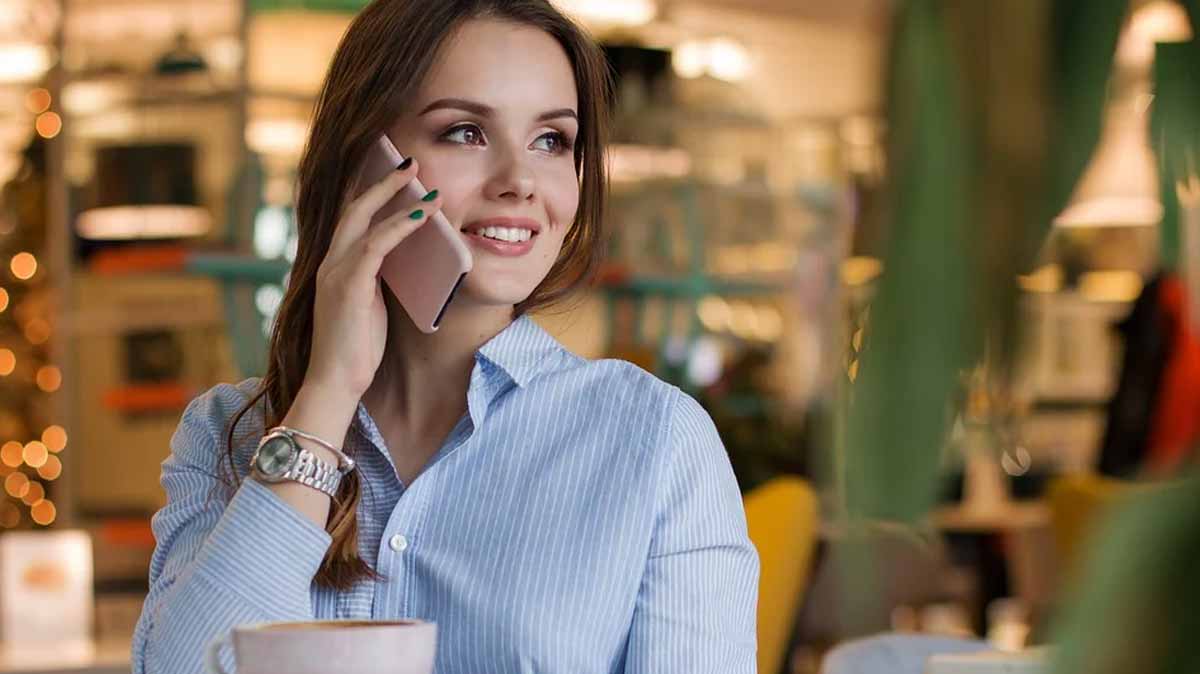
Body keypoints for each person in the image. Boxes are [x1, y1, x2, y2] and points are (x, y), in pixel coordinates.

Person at [131, 1, 759, 672]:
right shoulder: (228, 433)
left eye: (552, 140)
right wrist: (327, 396)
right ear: (367, 163)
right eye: (465, 132)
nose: (519, 182)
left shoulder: (656, 441)